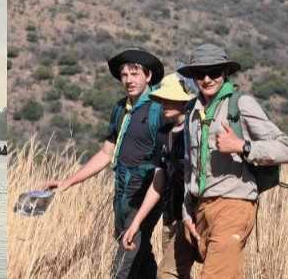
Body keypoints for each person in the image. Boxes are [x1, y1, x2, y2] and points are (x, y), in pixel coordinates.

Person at [43, 48, 171, 278]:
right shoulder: (120, 108)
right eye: (124, 75)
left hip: (146, 192)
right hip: (121, 191)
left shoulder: (159, 109)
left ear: (148, 76)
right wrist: (67, 182)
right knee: (140, 257)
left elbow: (168, 162)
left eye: (134, 74)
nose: (129, 80)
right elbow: (105, 154)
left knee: (123, 264)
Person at [177, 43, 288, 278]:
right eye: (199, 73)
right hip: (201, 207)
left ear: (225, 73)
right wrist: (187, 212)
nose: (207, 79)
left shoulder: (241, 104)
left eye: (214, 72)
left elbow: (284, 148)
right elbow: (191, 166)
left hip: (235, 205)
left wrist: (242, 146)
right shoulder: (191, 111)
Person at [122, 74, 196, 278]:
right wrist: (136, 223)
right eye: (162, 98)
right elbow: (158, 182)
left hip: (193, 216)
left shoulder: (195, 131)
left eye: (169, 98)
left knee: (167, 274)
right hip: (170, 219)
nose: (163, 102)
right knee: (177, 272)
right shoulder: (163, 133)